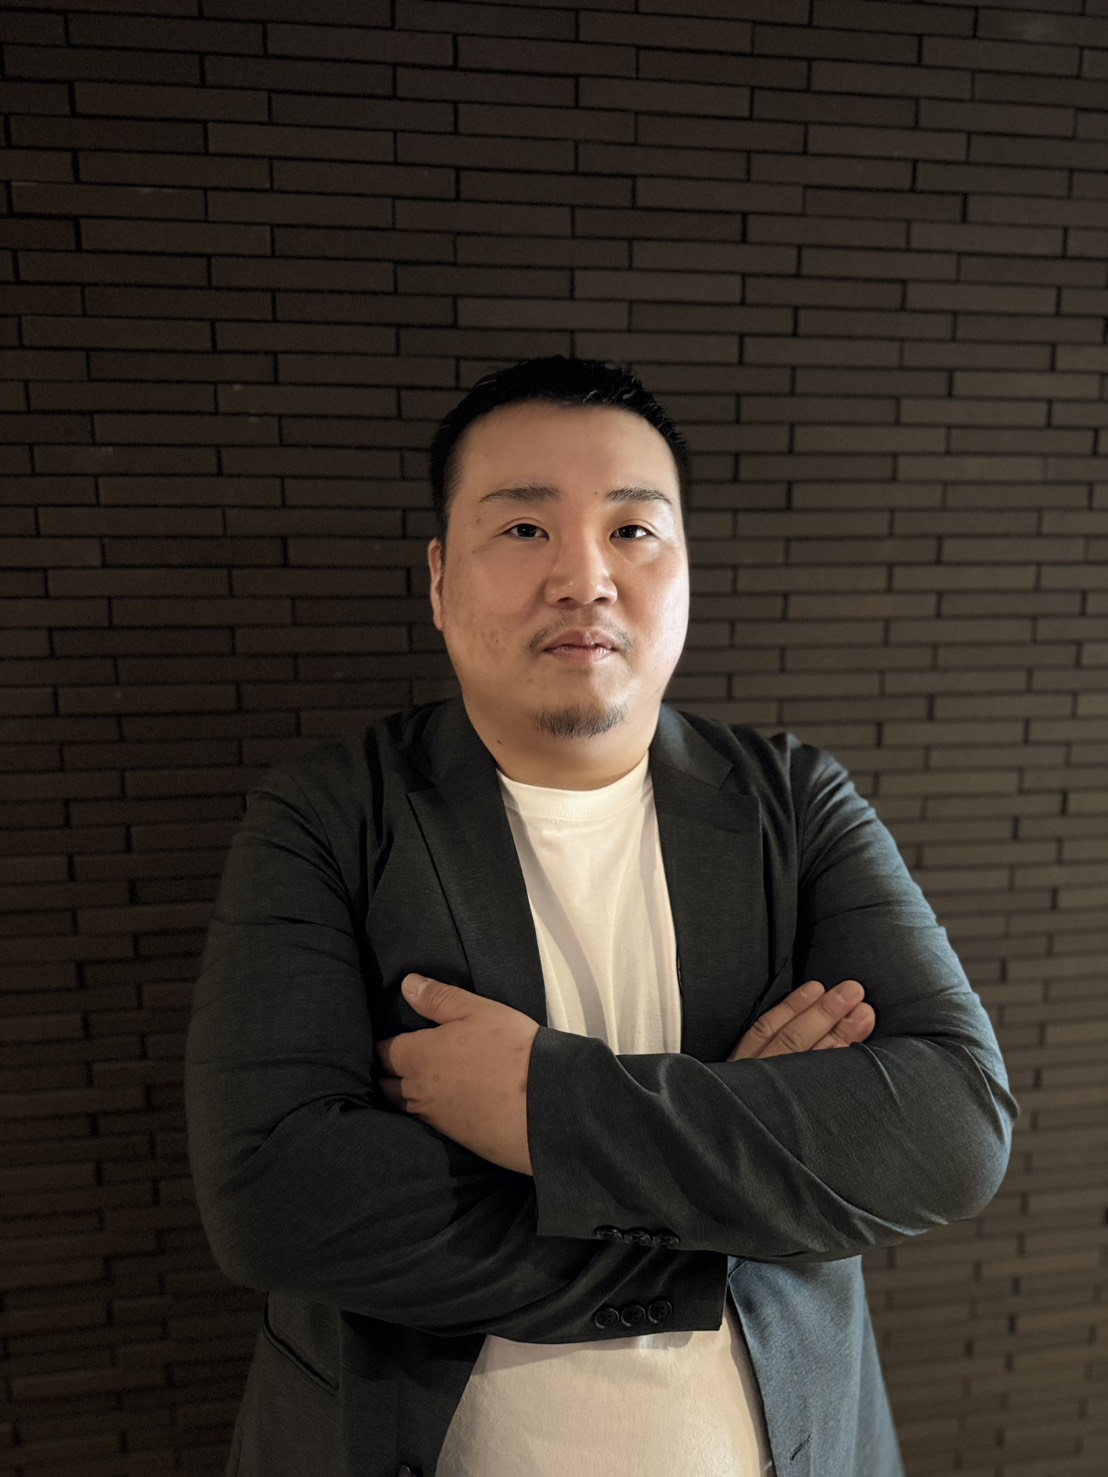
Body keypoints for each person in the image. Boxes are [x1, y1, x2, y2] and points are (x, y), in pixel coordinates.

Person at [186, 356, 1015, 1477]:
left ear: (684, 571)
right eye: (525, 529)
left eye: (632, 530)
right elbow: (275, 1198)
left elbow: (952, 1127)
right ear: (439, 579)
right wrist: (744, 1185)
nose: (585, 577)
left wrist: (543, 1105)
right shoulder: (331, 816)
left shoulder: (795, 801)